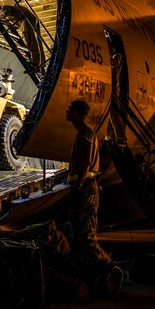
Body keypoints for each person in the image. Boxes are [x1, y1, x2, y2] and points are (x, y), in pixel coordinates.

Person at [65, 100, 113, 264]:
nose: (67, 112)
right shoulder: (82, 133)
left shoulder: (86, 133)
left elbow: (85, 161)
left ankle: (106, 266)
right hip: (81, 184)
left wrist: (78, 184)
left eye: (70, 109)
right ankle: (90, 266)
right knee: (79, 232)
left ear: (77, 114)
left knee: (86, 233)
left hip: (84, 186)